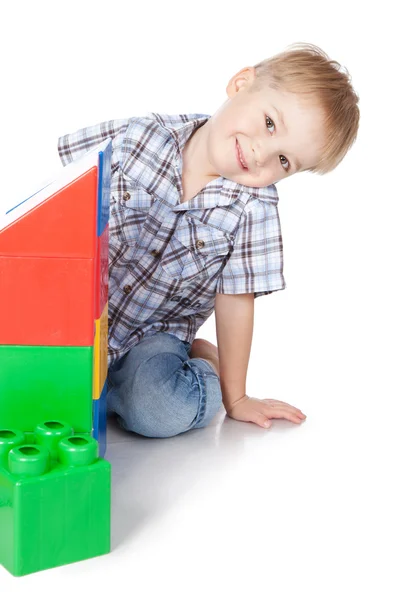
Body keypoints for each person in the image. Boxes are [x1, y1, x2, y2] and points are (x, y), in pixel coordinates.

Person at [58, 42, 360, 438]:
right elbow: (61, 194)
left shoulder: (253, 210)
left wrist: (237, 399)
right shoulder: (141, 136)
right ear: (241, 83)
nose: (260, 153)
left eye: (284, 161)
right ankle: (100, 389)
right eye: (269, 124)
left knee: (158, 409)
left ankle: (196, 368)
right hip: (78, 321)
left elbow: (236, 302)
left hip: (153, 340)